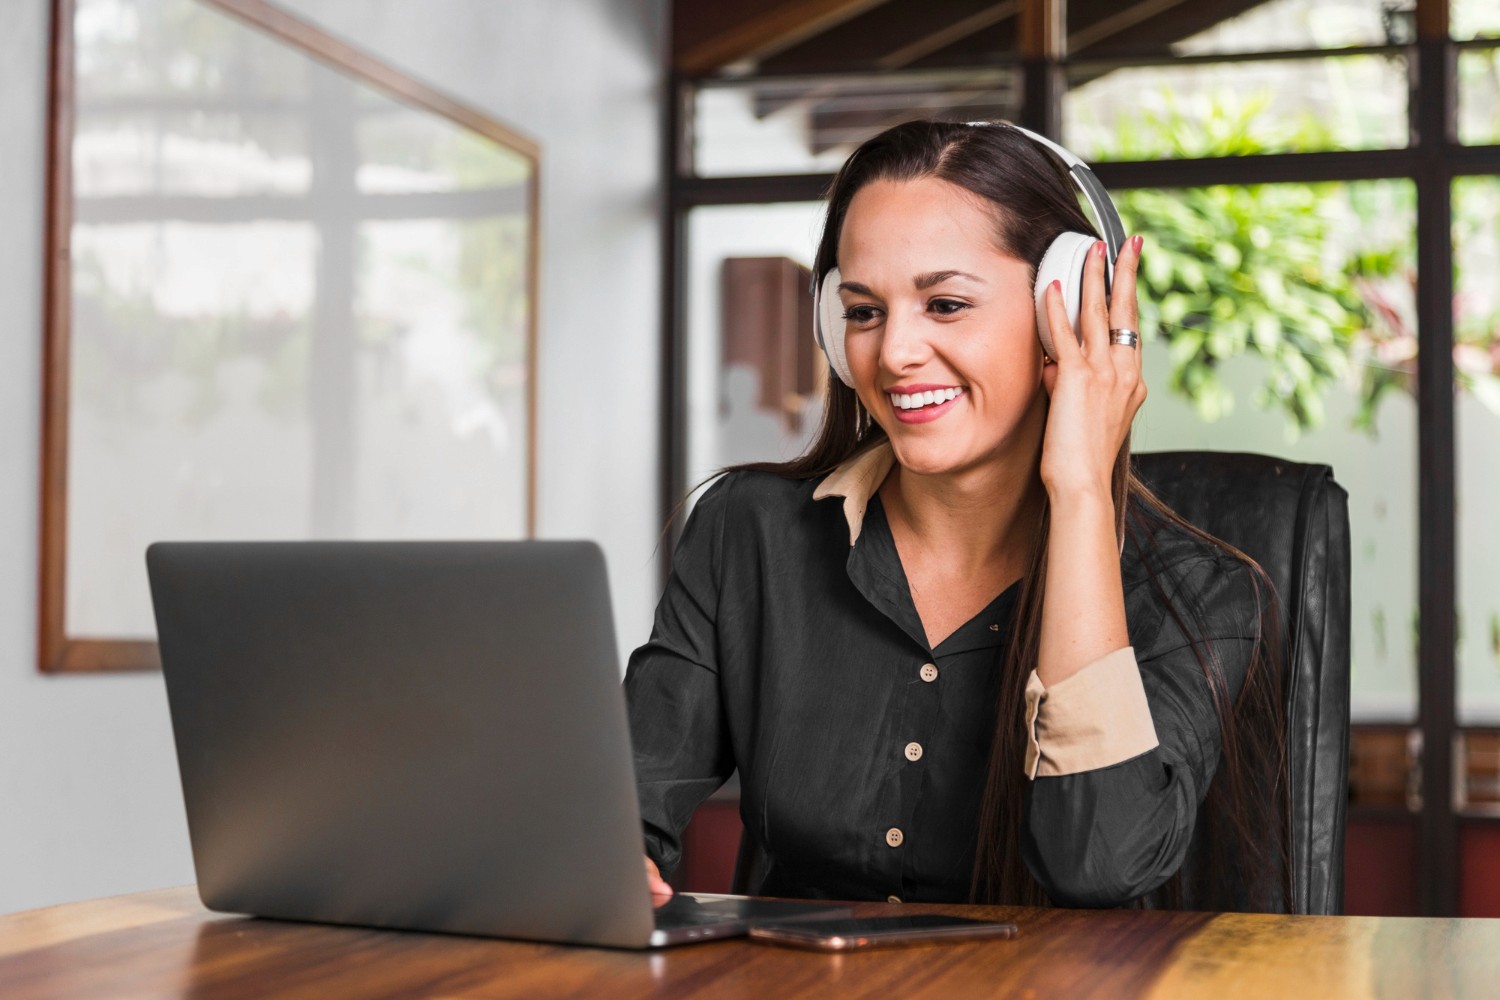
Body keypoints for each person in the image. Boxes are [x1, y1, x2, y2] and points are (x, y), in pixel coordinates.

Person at [626, 120, 1288, 910]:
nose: (894, 352)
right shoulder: (748, 531)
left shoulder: (1198, 593)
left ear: (1069, 314)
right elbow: (621, 805)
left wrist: (1080, 489)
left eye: (944, 304)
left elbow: (1097, 862)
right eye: (864, 312)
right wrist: (612, 862)